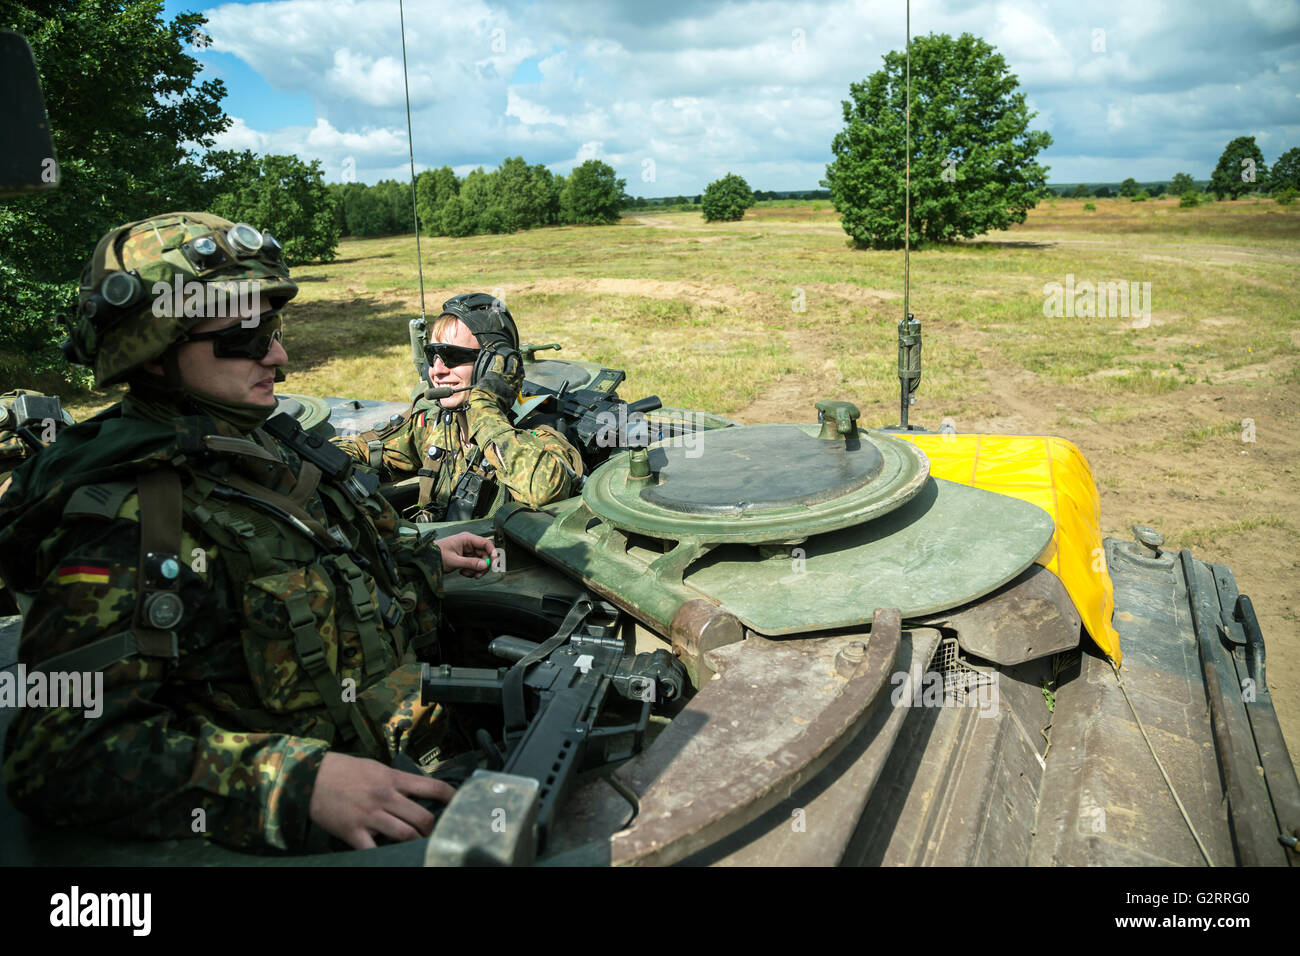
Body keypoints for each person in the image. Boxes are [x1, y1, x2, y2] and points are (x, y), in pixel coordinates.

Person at [0, 212, 497, 853]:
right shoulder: (134, 516)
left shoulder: (249, 442)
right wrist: (294, 783)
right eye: (245, 336)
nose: (280, 356)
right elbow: (62, 757)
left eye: (275, 327)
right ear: (152, 351)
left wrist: (421, 556)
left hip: (401, 733)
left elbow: (318, 568)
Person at [335, 293, 581, 521]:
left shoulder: (539, 431)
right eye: (432, 356)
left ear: (492, 364)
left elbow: (544, 491)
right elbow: (354, 451)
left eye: (451, 356)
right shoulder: (436, 420)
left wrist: (483, 406)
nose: (437, 371)